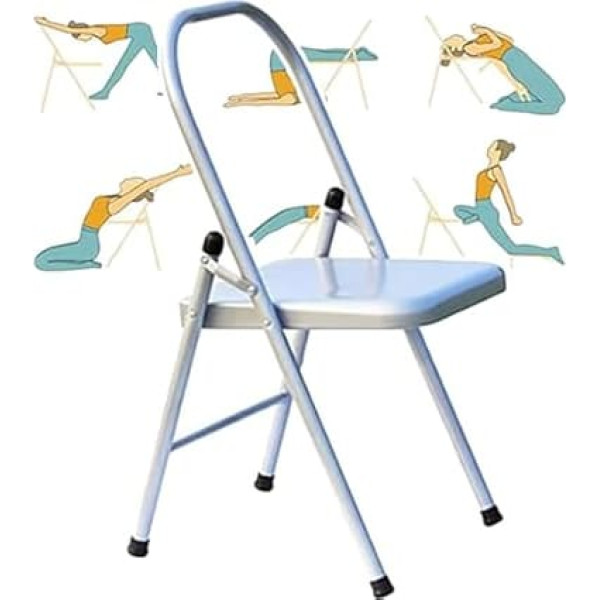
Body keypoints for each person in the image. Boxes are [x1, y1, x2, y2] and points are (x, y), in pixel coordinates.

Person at [34, 165, 192, 271]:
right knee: (41, 260)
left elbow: (146, 185)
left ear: (133, 191)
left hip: (87, 246)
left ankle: (87, 265)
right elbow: (144, 186)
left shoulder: (114, 205)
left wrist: (177, 173)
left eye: (135, 183)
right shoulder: (110, 198)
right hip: (85, 242)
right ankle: (85, 264)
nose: (129, 179)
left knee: (41, 262)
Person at [453, 141, 563, 263]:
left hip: (487, 209)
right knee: (457, 209)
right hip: (481, 208)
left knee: (511, 248)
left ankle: (550, 251)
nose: (489, 148)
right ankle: (476, 217)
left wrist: (513, 215)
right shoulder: (487, 170)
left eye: (492, 147)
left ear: (498, 152)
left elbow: (506, 193)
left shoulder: (496, 170)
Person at [441, 24, 565, 115]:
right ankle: (506, 104)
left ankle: (512, 100)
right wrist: (486, 30)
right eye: (449, 41)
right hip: (513, 61)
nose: (452, 37)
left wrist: (488, 30)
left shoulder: (476, 40)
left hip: (517, 54)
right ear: (454, 47)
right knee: (553, 102)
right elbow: (497, 45)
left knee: (558, 98)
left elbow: (509, 40)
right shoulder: (469, 48)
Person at [34, 16, 159, 100]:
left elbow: (68, 29)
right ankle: (105, 92)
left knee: (155, 61)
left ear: (83, 32)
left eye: (80, 38)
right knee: (129, 63)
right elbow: (71, 29)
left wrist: (46, 23)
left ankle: (105, 92)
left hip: (141, 31)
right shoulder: (95, 31)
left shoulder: (95, 30)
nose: (83, 41)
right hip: (139, 32)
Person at [225, 46, 378, 107]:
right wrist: (240, 100)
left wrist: (241, 100)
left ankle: (357, 55)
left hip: (279, 62)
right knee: (318, 55)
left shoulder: (291, 97)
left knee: (318, 56)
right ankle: (356, 55)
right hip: (279, 64)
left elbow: (272, 98)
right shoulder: (293, 96)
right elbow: (271, 97)